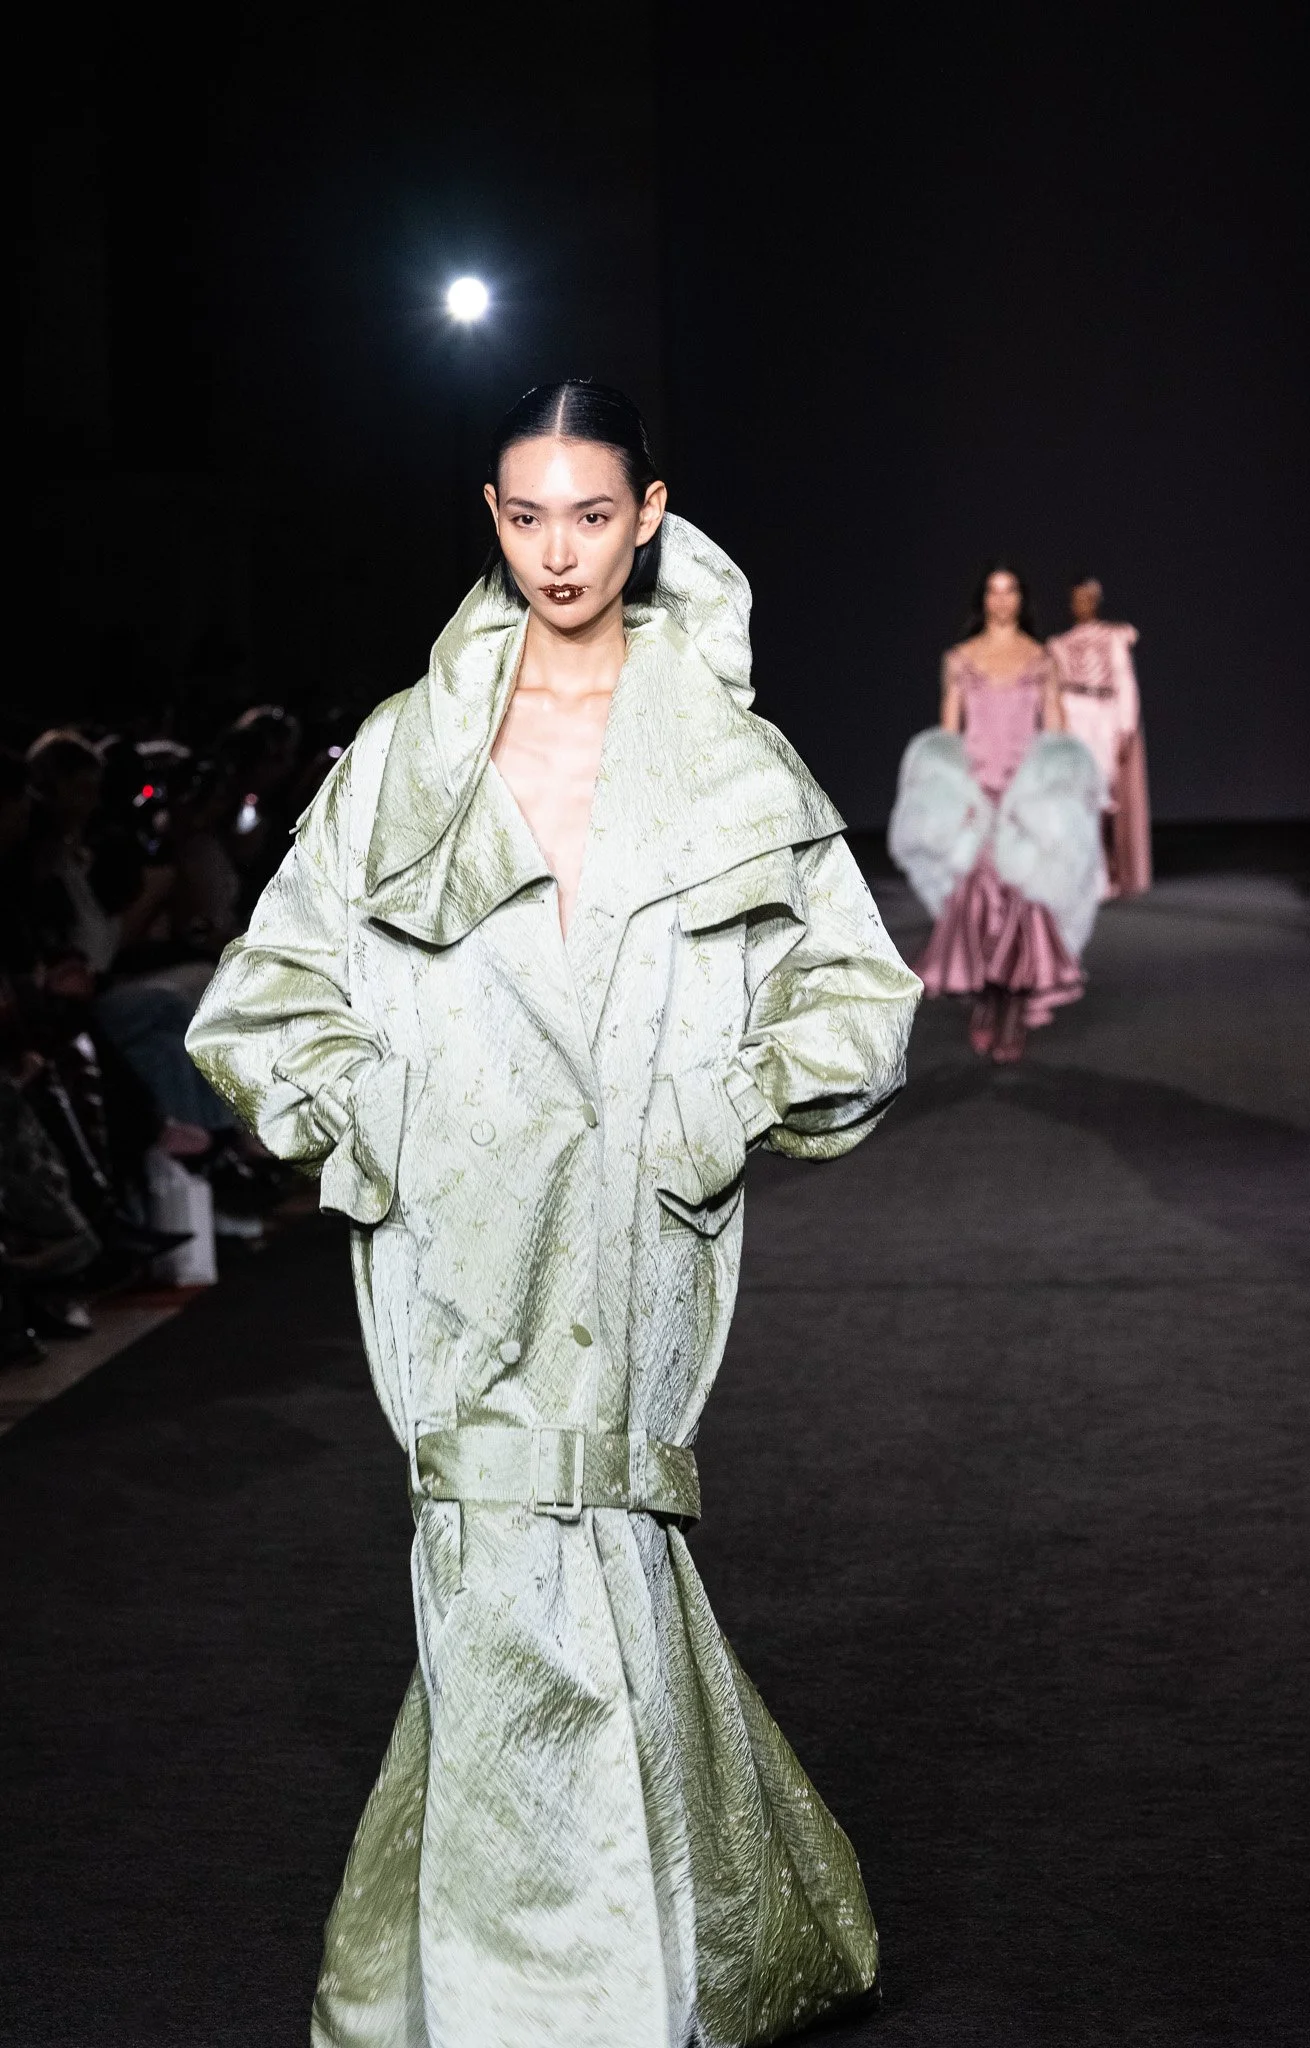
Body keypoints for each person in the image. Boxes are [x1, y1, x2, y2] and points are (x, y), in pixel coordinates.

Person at [186, 380, 920, 2048]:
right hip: (458, 1218)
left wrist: (718, 1107)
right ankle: (586, 1985)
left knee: (600, 1535)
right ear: (492, 516)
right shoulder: (412, 746)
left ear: (649, 513)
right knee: (503, 1550)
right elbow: (263, 995)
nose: (560, 552)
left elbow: (859, 992)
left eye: (593, 515)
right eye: (526, 515)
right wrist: (394, 1119)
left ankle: (621, 1951)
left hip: (648, 1214)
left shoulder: (728, 752)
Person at [888, 564, 1103, 1062]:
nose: (1001, 599)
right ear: (983, 599)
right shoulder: (960, 659)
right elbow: (949, 732)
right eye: (993, 590)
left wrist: (1058, 788)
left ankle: (1011, 1008)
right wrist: (951, 794)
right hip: (979, 790)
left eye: (1010, 591)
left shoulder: (1041, 658)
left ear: (1020, 599)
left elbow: (1054, 728)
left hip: (1024, 792)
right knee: (981, 892)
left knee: (1021, 894)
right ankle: (988, 1000)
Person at [1046, 576, 1152, 897]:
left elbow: (1124, 680)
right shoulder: (1059, 644)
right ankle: (1090, 873)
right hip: (1073, 714)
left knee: (1105, 792)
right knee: (1079, 794)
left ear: (1097, 600)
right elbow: (1054, 691)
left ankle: (1107, 867)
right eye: (1078, 598)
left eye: (1089, 598)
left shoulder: (1113, 637)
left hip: (1104, 715)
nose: (1083, 604)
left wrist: (1125, 727)